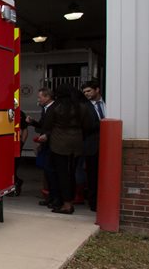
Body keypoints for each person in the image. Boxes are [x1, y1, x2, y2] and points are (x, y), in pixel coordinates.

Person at [40, 85, 96, 214]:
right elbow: (88, 125)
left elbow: (47, 125)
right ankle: (70, 200)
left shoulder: (55, 107)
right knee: (72, 173)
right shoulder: (81, 107)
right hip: (76, 143)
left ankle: (66, 204)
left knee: (61, 174)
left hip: (58, 144)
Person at [24, 88, 57, 207]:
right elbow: (43, 125)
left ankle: (55, 199)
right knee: (47, 172)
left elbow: (56, 127)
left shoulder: (55, 108)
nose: (38, 100)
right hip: (46, 144)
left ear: (47, 97)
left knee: (52, 172)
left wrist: (47, 135)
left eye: (40, 97)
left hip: (54, 144)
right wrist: (32, 122)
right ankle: (50, 197)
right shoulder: (45, 109)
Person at [81, 79, 106, 211]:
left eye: (89, 91)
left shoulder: (109, 102)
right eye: (84, 92)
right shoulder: (84, 107)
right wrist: (103, 124)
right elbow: (85, 126)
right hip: (92, 146)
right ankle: (94, 203)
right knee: (92, 175)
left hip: (108, 144)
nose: (86, 94)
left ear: (97, 90)